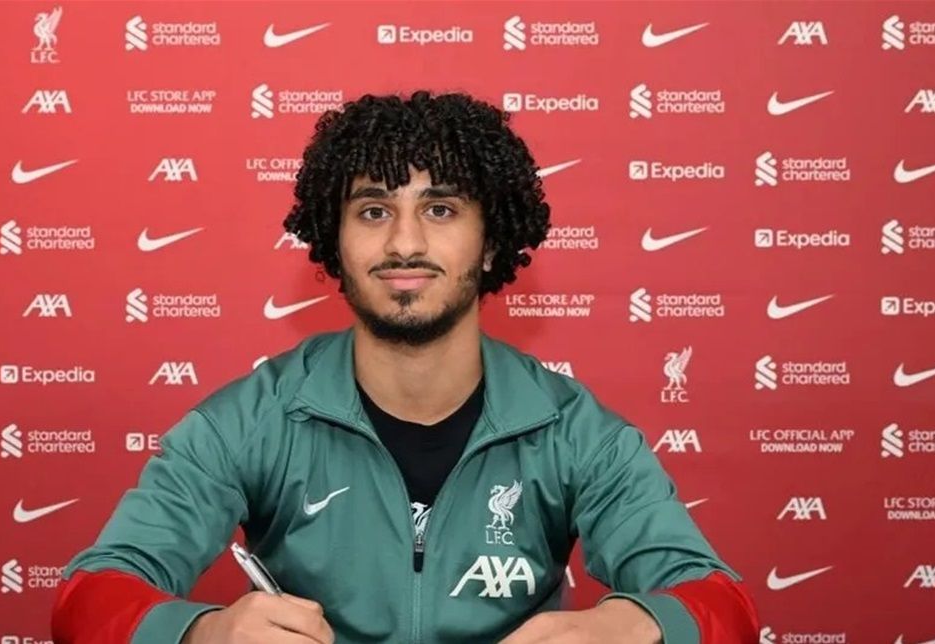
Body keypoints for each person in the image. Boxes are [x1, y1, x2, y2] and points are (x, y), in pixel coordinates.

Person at [51, 90, 759, 643]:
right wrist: (202, 633)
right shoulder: (250, 421)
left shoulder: (575, 432)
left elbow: (723, 606)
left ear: (490, 242)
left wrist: (630, 625)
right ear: (334, 241)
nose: (405, 243)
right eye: (373, 211)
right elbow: (89, 598)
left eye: (441, 209)